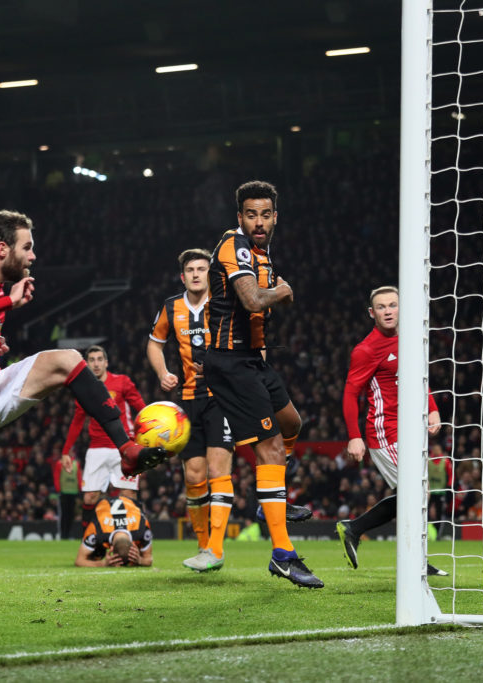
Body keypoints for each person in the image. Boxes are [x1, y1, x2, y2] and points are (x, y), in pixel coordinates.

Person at [0, 210, 167, 621]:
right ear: (2, 248)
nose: (34, 255)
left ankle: (127, 449)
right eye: (27, 246)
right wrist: (7, 302)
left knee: (69, 359)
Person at [201, 180, 322, 588]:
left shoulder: (262, 251)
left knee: (292, 424)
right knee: (269, 449)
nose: (258, 221)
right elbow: (253, 300)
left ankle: (273, 501)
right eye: (250, 214)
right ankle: (283, 555)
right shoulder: (233, 247)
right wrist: (282, 291)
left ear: (274, 217)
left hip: (253, 360)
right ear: (240, 217)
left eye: (265, 214)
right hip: (228, 364)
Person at [335, 286, 447, 577]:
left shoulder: (411, 338)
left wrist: (432, 407)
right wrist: (353, 435)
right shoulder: (366, 350)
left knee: (416, 494)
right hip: (385, 431)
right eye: (381, 307)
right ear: (372, 313)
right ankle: (359, 531)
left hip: (410, 429)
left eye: (393, 305)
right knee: (415, 492)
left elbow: (420, 377)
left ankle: (356, 530)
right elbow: (350, 394)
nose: (387, 311)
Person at [147, 247, 235, 572]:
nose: (196, 274)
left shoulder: (224, 302)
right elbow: (154, 343)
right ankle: (203, 547)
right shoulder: (172, 307)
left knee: (217, 470)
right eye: (191, 270)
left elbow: (248, 342)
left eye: (202, 268)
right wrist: (162, 373)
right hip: (187, 400)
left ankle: (216, 548)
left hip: (222, 398)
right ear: (182, 276)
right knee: (195, 476)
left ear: (209, 273)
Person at [60, 345, 146, 533]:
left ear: (106, 362)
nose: (96, 364)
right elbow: (77, 420)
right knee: (90, 497)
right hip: (97, 448)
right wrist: (66, 451)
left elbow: (141, 407)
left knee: (128, 494)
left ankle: (134, 537)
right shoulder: (84, 389)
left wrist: (152, 428)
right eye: (92, 360)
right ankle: (88, 539)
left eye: (100, 359)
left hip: (123, 447)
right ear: (86, 364)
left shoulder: (122, 382)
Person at [73, 496, 153, 567]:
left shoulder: (142, 527)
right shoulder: (97, 529)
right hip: (103, 503)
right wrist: (103, 563)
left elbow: (149, 559)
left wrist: (139, 560)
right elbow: (79, 561)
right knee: (96, 555)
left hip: (129, 502)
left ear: (111, 548)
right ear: (111, 548)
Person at [52, 447, 81, 540]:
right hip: (64, 493)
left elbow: (79, 477)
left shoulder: (76, 464)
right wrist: (58, 489)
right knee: (64, 515)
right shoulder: (60, 464)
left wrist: (79, 489)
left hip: (73, 493)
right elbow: (56, 477)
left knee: (70, 515)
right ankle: (63, 535)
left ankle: (67, 534)